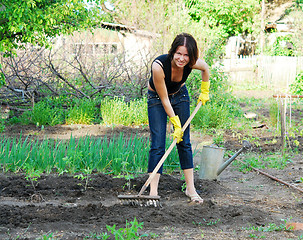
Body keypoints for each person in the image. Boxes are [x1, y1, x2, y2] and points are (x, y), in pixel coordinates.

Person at [147, 33, 210, 204]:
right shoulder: (158, 66)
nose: (182, 58)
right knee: (158, 143)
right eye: (179, 53)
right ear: (172, 51)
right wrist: (175, 123)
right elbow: (164, 99)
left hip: (180, 96)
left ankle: (191, 189)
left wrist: (205, 90)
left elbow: (205, 68)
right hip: (158, 99)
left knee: (185, 142)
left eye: (186, 55)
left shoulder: (192, 63)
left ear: (191, 56)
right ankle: (153, 192)